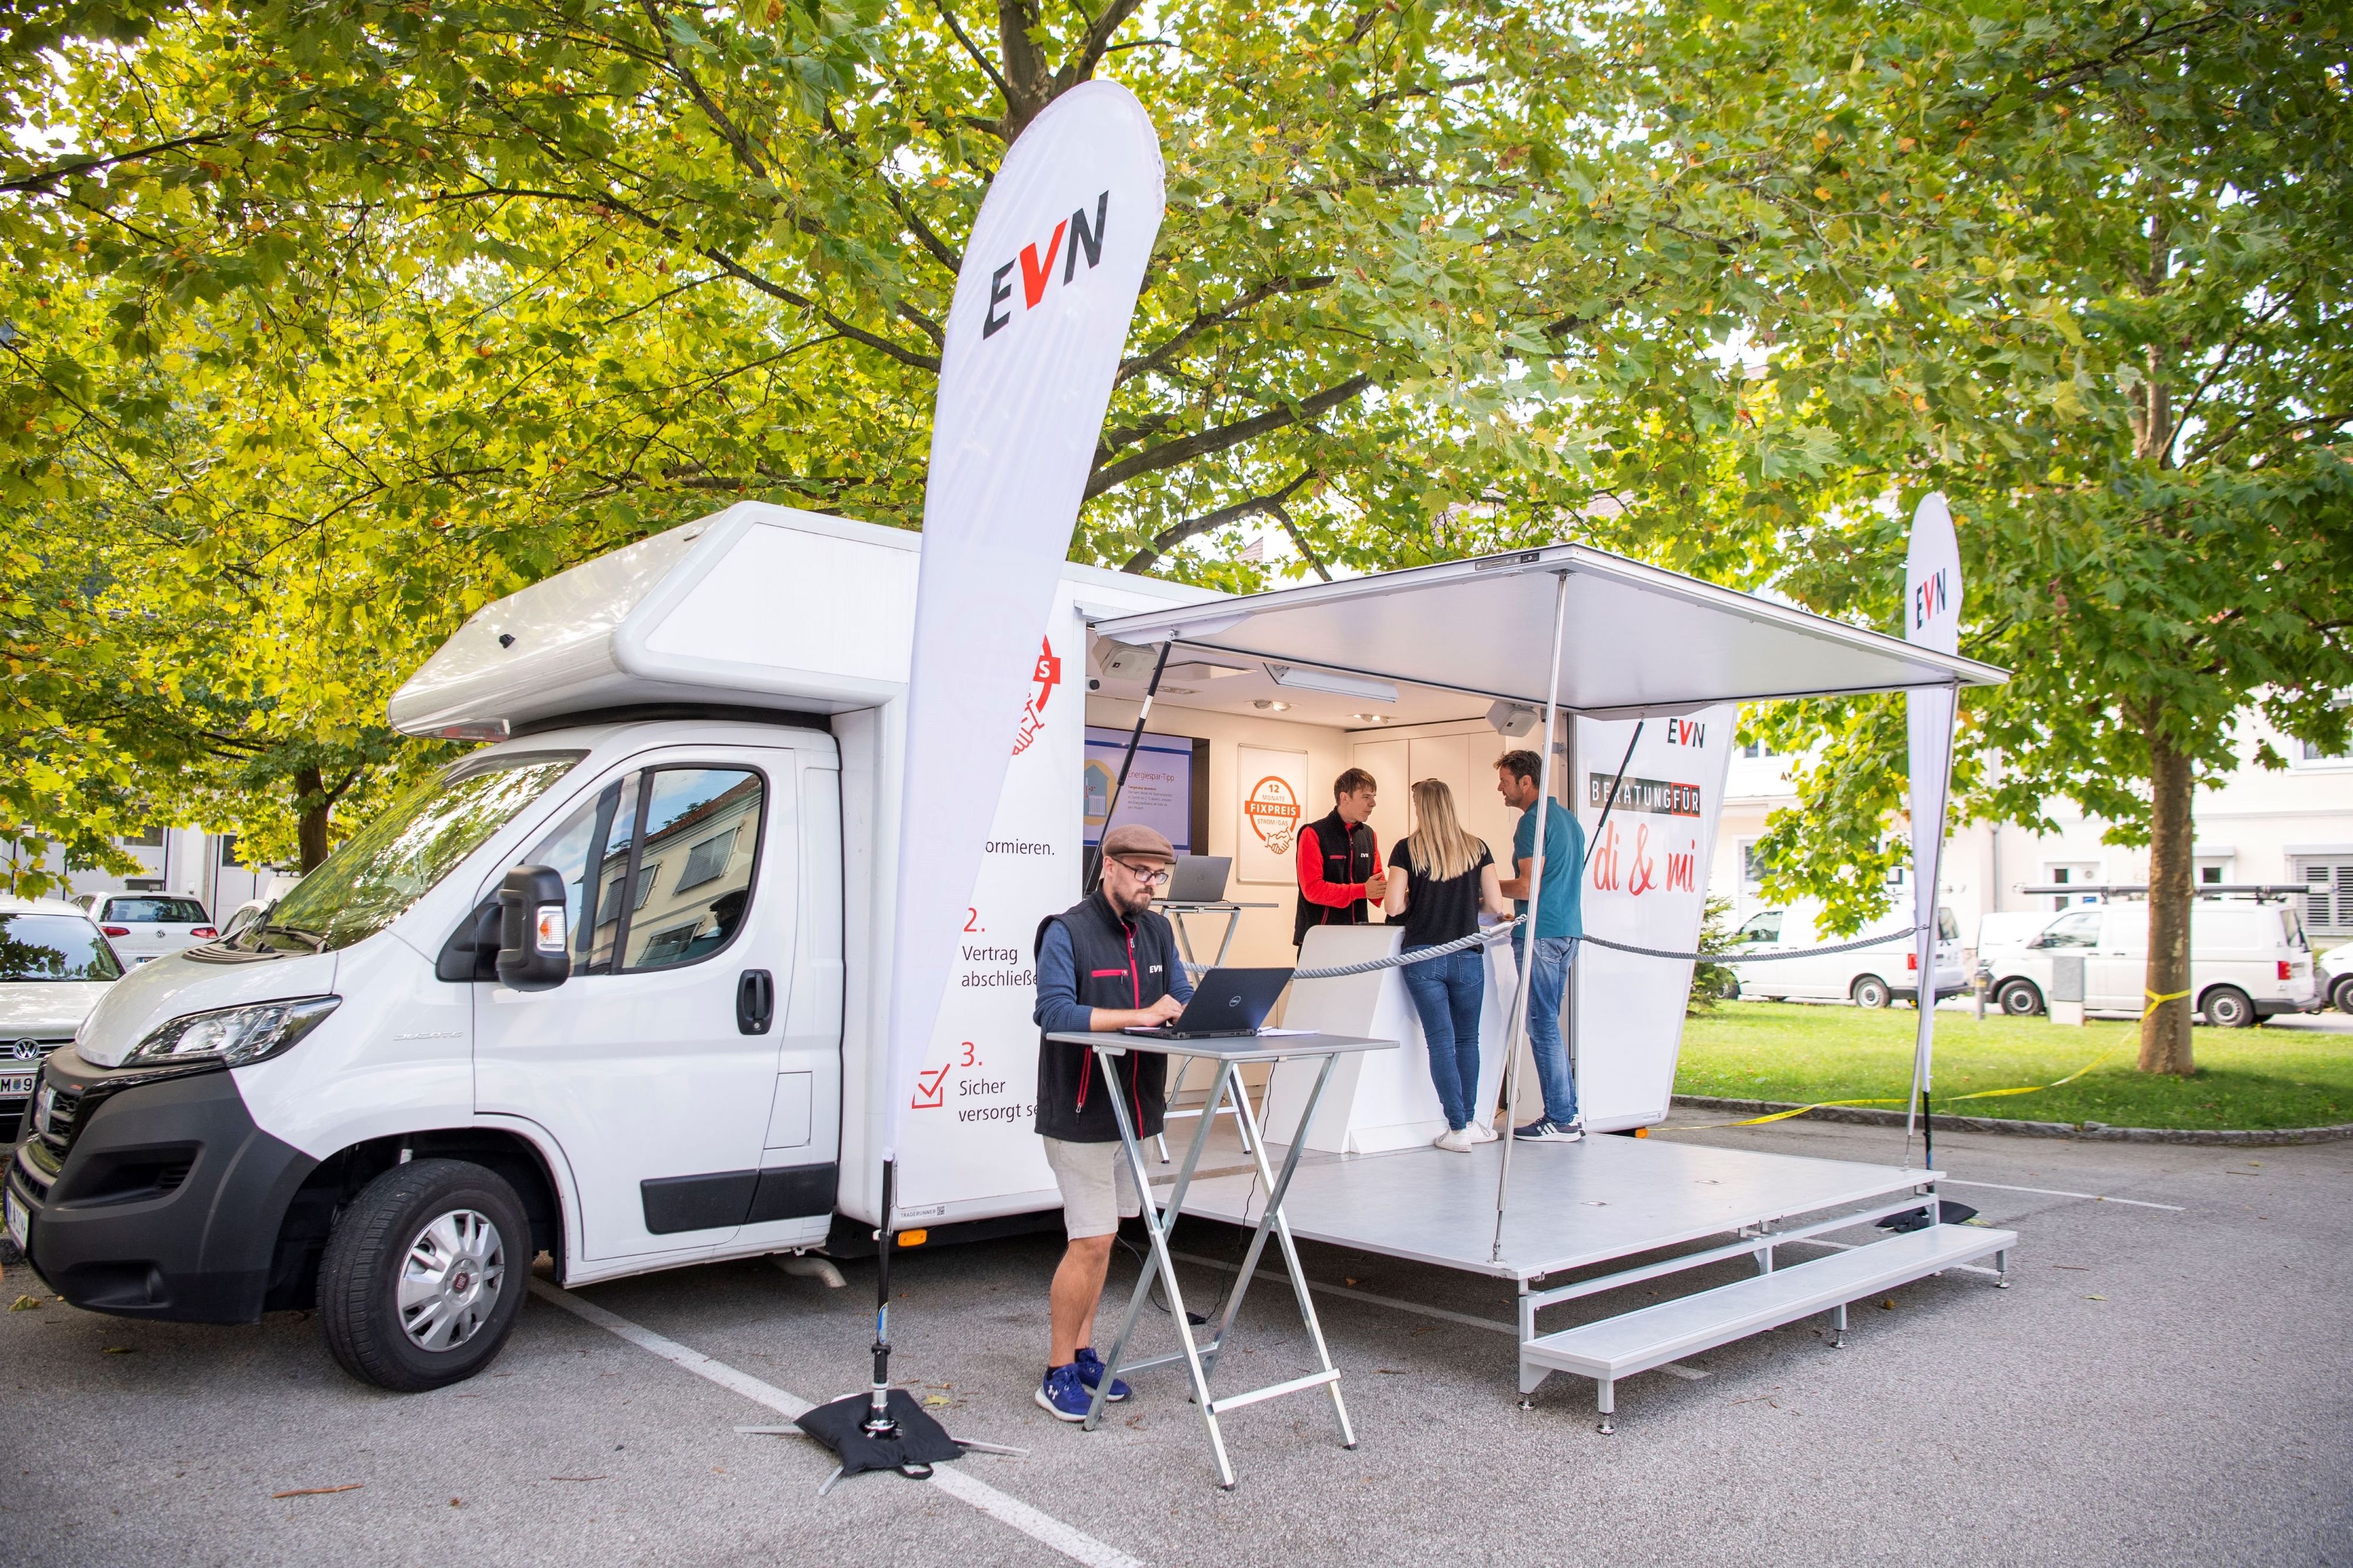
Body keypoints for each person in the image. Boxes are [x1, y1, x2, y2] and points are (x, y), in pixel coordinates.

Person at [1028, 823, 1194, 1421]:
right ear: (1110, 867)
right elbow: (1052, 1011)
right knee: (1091, 1239)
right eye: (1142, 872)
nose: (1152, 885)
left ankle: (1084, 1348)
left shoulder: (1157, 929)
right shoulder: (1065, 930)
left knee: (1104, 1241)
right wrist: (1141, 1014)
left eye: (1160, 875)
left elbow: (1178, 995)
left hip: (1138, 1112)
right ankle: (1056, 1369)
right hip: (1079, 1111)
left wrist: (1197, 1009)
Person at [1384, 778, 1510, 1152]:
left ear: (1422, 808)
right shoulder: (1477, 848)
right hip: (1467, 954)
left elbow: (1392, 907)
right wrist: (1465, 905)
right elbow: (1494, 905)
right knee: (1467, 1040)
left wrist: (1419, 902)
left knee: (1439, 1041)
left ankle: (1455, 1130)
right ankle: (1469, 1123)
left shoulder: (1407, 849)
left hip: (1423, 957)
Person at [1495, 748, 1587, 1142]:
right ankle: (1567, 1114)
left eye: (1505, 780)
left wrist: (1479, 888)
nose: (1501, 788)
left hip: (1541, 935)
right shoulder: (1569, 821)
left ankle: (1561, 1118)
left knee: (1542, 1024)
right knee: (1549, 1022)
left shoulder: (1532, 822)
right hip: (1567, 932)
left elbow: (1527, 886)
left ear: (1525, 782)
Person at [1294, 767, 1387, 948]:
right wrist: (1362, 890)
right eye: (1366, 797)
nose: (1373, 803)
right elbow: (1313, 890)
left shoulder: (1369, 835)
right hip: (1320, 939)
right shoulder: (1313, 833)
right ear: (1345, 798)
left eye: (1374, 796)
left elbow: (1377, 887)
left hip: (1357, 939)